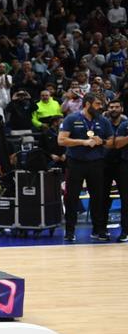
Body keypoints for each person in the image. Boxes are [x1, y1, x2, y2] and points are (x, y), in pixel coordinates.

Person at [58, 92, 114, 242]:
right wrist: (82, 142)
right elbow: (61, 140)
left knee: (98, 197)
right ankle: (70, 231)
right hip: (76, 162)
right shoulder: (72, 118)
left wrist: (101, 141)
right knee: (72, 197)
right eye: (97, 104)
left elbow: (111, 142)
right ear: (88, 104)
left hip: (96, 163)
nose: (100, 107)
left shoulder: (103, 120)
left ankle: (99, 230)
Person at [107, 98, 128, 242]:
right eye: (111, 107)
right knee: (125, 200)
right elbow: (118, 144)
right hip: (122, 164)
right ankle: (125, 231)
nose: (114, 109)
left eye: (117, 107)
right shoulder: (125, 125)